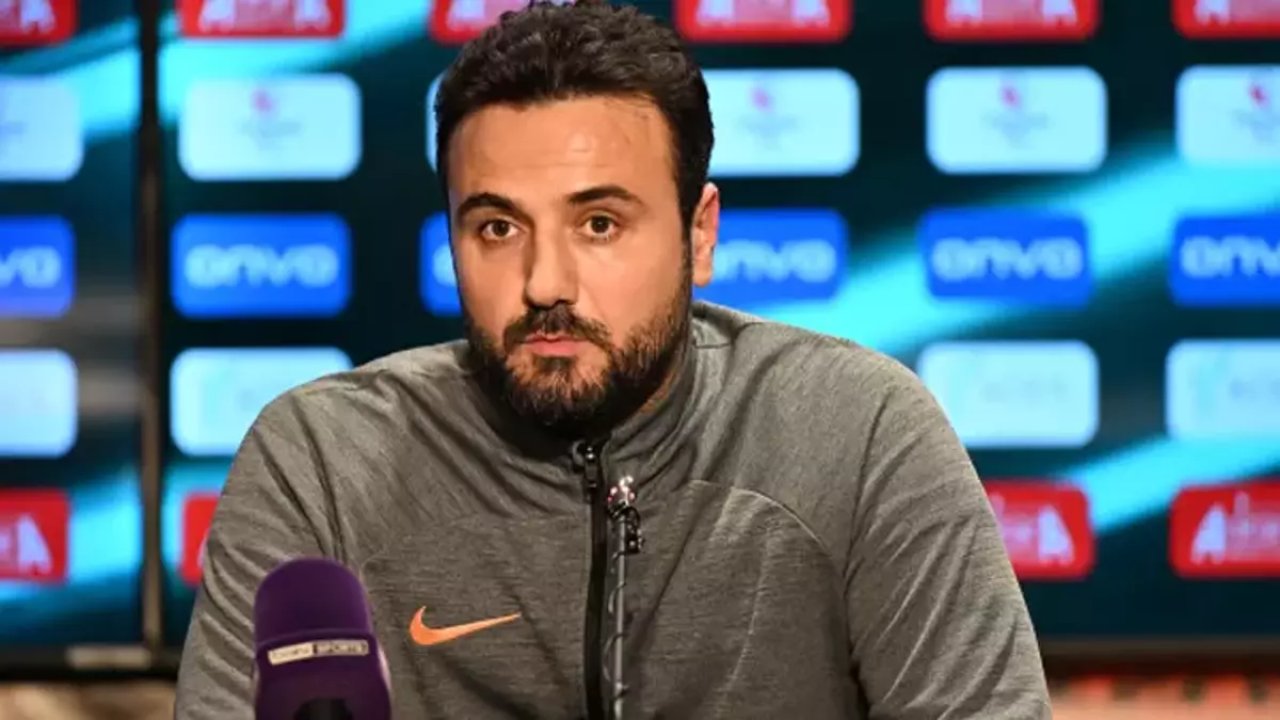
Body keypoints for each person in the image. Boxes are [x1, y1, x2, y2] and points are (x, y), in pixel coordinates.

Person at [174, 1, 1052, 717]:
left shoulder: (858, 434)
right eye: (497, 228)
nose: (544, 284)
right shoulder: (323, 464)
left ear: (699, 234)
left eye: (599, 224)